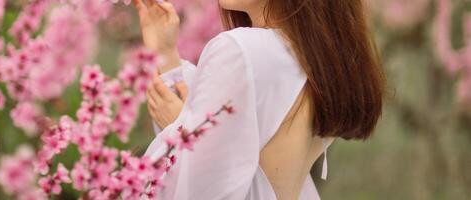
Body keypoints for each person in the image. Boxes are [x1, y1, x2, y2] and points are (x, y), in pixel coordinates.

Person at [134, 0, 385, 199]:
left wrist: (182, 130)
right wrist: (165, 54)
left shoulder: (241, 50)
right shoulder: (317, 66)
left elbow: (196, 191)